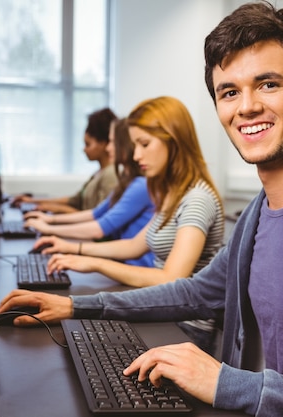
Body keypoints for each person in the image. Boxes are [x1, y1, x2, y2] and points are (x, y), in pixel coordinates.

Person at [0, 2, 283, 416]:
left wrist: (233, 385)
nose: (247, 106)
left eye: (268, 84)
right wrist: (77, 307)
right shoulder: (257, 215)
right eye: (229, 92)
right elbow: (193, 293)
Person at [24, 96, 224, 352]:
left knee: (74, 343)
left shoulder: (197, 199)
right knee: (72, 340)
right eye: (134, 145)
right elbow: (133, 246)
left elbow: (172, 279)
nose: (136, 154)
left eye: (144, 144)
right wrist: (75, 250)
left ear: (173, 141)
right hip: (164, 315)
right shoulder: (174, 193)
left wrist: (96, 263)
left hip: (185, 329)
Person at [24, 118, 156, 267]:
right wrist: (49, 221)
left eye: (112, 142)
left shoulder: (141, 185)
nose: (108, 148)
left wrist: (50, 229)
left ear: (124, 145)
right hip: (125, 264)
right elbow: (95, 213)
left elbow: (100, 228)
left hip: (135, 268)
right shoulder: (127, 181)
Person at [12, 107, 119, 213]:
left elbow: (99, 218)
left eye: (88, 144)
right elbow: (74, 201)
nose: (84, 149)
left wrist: (57, 209)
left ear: (103, 143)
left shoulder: (111, 175)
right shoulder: (99, 173)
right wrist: (32, 201)